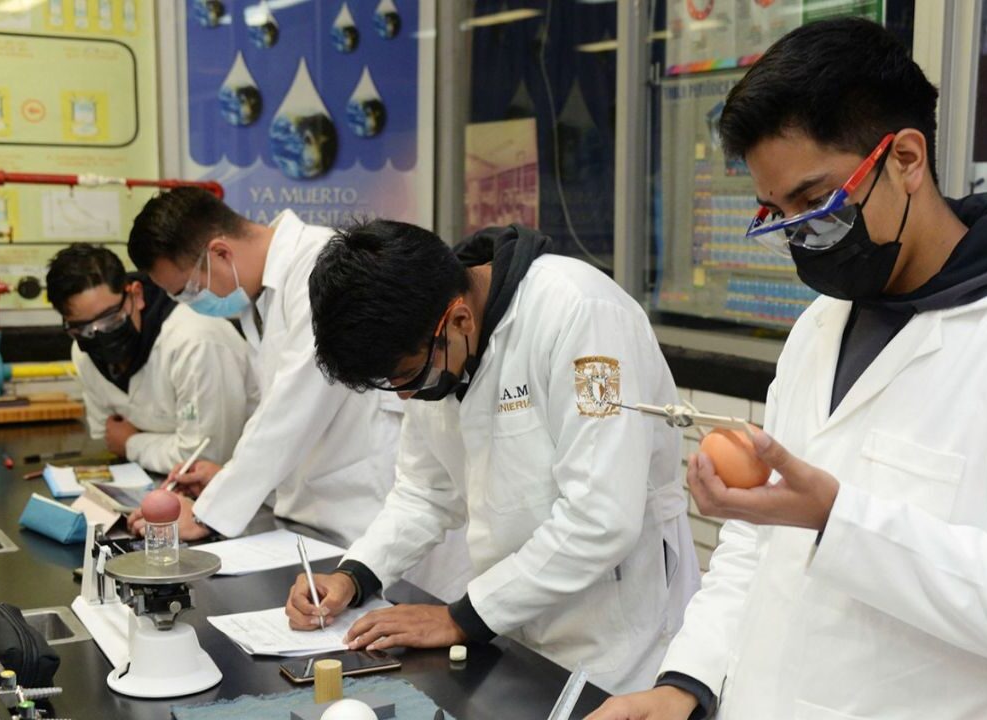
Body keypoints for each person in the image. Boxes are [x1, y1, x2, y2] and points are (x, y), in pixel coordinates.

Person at [587, 17, 987, 720]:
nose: (801, 235)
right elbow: (756, 543)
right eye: (776, 212)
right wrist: (687, 682)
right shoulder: (821, 323)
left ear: (905, 159)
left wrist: (841, 521)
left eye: (816, 203)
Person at [283, 221, 700, 694]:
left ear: (459, 320)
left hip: (618, 632)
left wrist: (464, 617)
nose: (403, 397)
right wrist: (355, 575)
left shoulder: (583, 315)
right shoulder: (434, 340)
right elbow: (425, 491)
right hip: (513, 625)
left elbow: (601, 516)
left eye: (406, 376)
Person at [123, 190, 406, 549]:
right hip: (317, 513)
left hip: (364, 506)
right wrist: (226, 478)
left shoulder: (323, 265)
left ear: (221, 253)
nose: (192, 305)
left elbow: (292, 409)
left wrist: (205, 513)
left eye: (189, 291)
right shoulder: (258, 297)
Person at [45, 244, 254, 474]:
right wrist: (143, 444)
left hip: (247, 489)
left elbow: (203, 460)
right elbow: (109, 435)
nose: (100, 335)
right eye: (84, 329)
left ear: (136, 294)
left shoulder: (195, 341)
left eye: (111, 320)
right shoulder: (83, 353)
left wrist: (131, 443)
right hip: (152, 481)